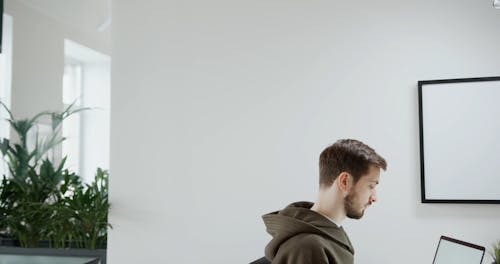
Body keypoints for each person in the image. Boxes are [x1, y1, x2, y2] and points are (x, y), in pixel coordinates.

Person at [261, 139, 387, 264]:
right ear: (344, 181)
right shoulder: (309, 247)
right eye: (371, 186)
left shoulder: (326, 237)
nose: (374, 198)